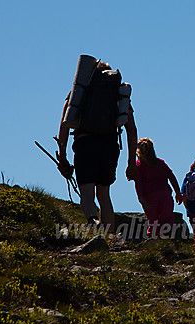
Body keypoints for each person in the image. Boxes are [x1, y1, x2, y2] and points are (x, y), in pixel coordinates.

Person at [57, 61, 138, 230]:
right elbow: (131, 129)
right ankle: (109, 236)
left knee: (87, 193)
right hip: (109, 145)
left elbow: (65, 124)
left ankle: (93, 221)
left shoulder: (80, 91)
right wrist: (131, 162)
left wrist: (62, 155)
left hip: (85, 144)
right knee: (104, 194)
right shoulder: (117, 93)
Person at [134, 138, 184, 239]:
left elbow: (138, 182)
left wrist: (141, 198)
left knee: (153, 221)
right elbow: (171, 177)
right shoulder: (160, 163)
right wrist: (178, 192)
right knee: (167, 218)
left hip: (150, 197)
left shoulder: (139, 165)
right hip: (165, 195)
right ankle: (167, 239)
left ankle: (153, 241)